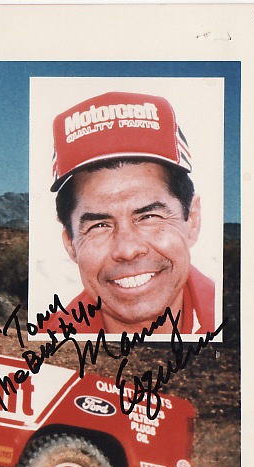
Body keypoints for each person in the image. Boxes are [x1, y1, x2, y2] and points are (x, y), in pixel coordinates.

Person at [44, 91, 215, 336]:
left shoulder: (243, 325)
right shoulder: (40, 346)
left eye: (149, 217)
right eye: (99, 225)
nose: (127, 250)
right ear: (71, 244)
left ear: (192, 221)